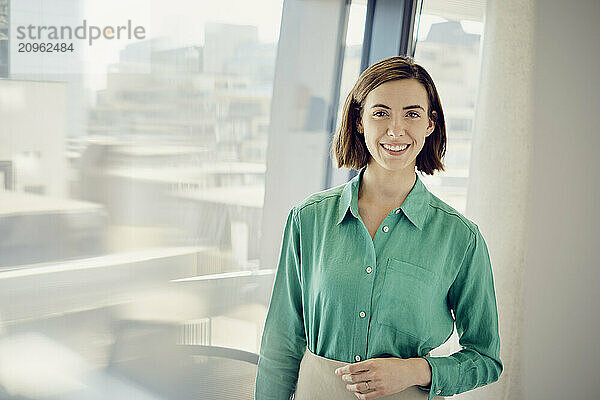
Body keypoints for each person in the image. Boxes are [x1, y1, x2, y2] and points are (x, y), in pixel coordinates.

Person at [254, 56, 503, 400]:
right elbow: (280, 343)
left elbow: (486, 358)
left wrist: (417, 370)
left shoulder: (461, 238)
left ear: (430, 125)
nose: (396, 129)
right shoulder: (308, 219)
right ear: (359, 121)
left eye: (412, 114)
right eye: (381, 112)